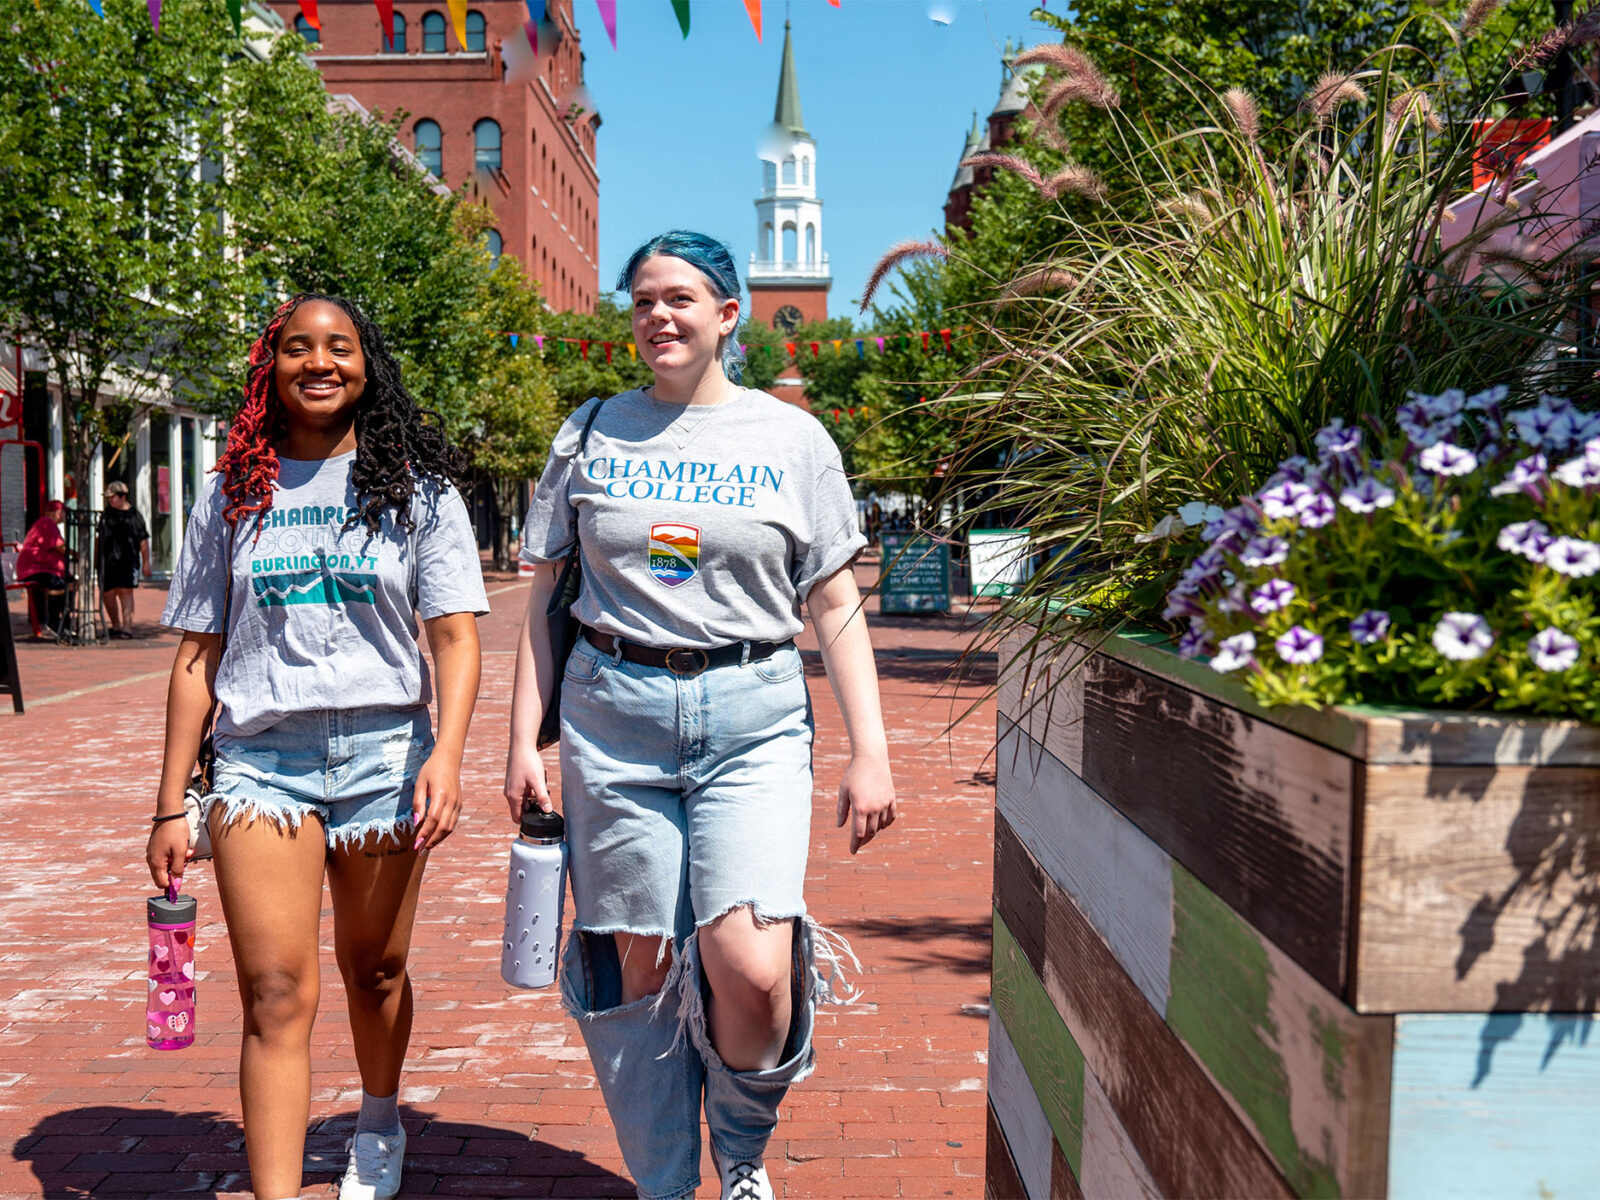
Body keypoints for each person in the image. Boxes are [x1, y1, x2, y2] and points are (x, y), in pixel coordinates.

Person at [504, 231, 897, 1200]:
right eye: (642, 301)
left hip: (752, 715)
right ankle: (667, 1181)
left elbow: (835, 601)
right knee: (637, 962)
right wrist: (521, 738)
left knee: (750, 966)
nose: (657, 317)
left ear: (729, 316)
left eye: (680, 299)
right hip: (613, 716)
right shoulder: (590, 430)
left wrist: (870, 750)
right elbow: (547, 597)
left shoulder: (790, 438)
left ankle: (742, 1146)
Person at [146, 294, 487, 1200]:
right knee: (275, 993)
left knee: (375, 969)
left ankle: (379, 1123)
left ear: (367, 364)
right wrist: (171, 802)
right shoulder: (233, 492)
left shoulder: (417, 491)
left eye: (340, 347)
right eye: (299, 348)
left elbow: (454, 635)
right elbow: (196, 657)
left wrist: (444, 757)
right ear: (273, 368)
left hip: (386, 758)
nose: (320, 362)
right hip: (260, 762)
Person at [97, 480, 151, 638]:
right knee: (108, 593)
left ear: (123, 496)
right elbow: (98, 538)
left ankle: (127, 628)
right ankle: (116, 625)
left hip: (128, 561)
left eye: (112, 497)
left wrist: (146, 563)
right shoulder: (106, 515)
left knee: (125, 592)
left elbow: (143, 541)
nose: (110, 500)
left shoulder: (134, 516)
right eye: (108, 497)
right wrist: (95, 559)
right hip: (108, 561)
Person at [15, 500, 69, 641]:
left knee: (67, 582)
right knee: (57, 583)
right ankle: (53, 622)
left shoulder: (48, 524)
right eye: (63, 512)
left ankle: (65, 622)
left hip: (42, 567)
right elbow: (60, 546)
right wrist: (77, 554)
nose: (65, 515)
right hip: (33, 569)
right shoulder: (47, 523)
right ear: (56, 512)